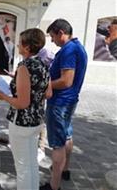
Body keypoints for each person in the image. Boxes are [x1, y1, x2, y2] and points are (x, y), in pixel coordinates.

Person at [0, 28, 52, 190]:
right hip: (36, 121)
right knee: (32, 164)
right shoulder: (44, 64)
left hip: (21, 122)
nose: (17, 45)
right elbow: (48, 93)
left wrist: (3, 97)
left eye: (20, 43)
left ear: (27, 47)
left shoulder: (24, 67)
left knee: (22, 168)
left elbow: (22, 103)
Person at [40, 19, 88, 190]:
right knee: (66, 136)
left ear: (61, 33)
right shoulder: (78, 47)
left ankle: (54, 185)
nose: (51, 40)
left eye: (52, 36)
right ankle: (64, 170)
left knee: (57, 144)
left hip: (60, 103)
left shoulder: (68, 50)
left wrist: (45, 85)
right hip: (69, 101)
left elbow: (66, 81)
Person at [37, 47, 55, 163]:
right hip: (38, 101)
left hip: (40, 100)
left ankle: (41, 147)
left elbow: (48, 93)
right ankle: (39, 147)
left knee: (41, 123)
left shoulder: (47, 70)